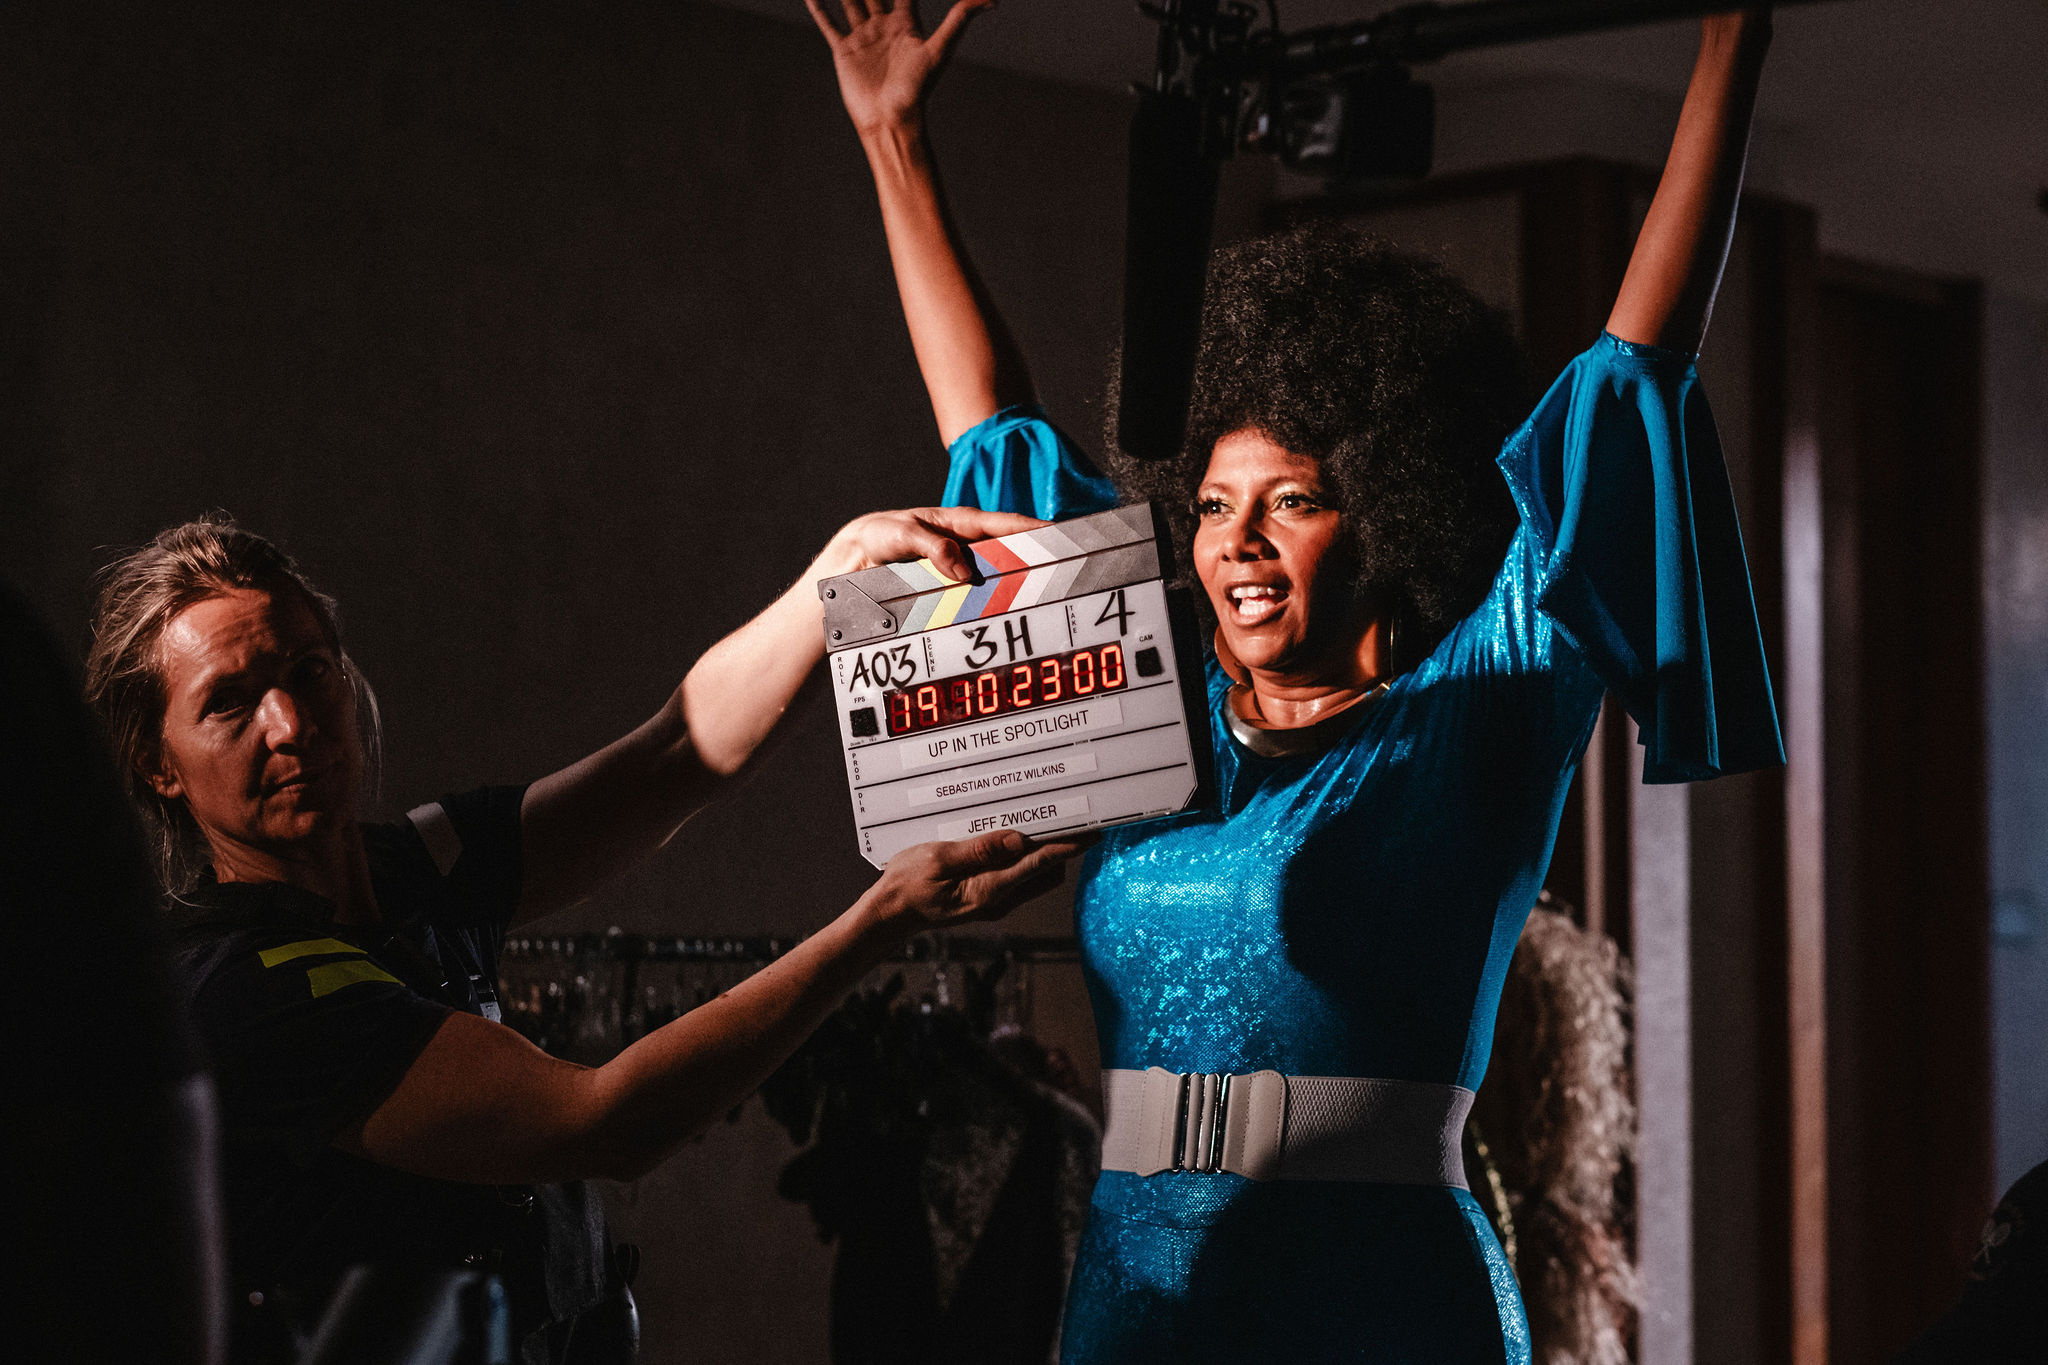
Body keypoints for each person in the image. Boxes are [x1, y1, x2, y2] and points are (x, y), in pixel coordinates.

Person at [807, 2, 1782, 1360]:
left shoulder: (1476, 715)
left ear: (1389, 514)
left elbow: (1632, 370)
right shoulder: (1141, 700)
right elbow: (995, 436)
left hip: (1378, 1301)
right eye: (1212, 507)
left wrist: (1732, 46)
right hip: (1135, 1298)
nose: (1237, 544)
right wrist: (893, 138)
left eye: (1294, 501)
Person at [83, 506, 1088, 1364]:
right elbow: (607, 1121)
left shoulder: (415, 867)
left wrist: (841, 570)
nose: (291, 722)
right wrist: (885, 919)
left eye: (309, 671)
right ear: (158, 765)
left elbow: (672, 755)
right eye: (229, 704)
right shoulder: (241, 988)